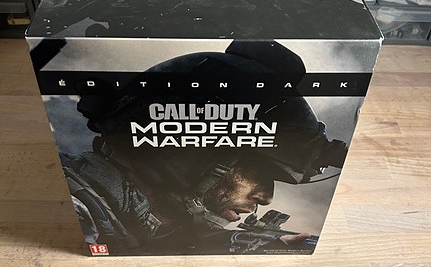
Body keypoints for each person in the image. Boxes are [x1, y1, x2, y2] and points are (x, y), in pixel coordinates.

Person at [59, 40, 348, 255]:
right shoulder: (79, 214)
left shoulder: (123, 215)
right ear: (187, 156)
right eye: (260, 171)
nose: (266, 197)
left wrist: (246, 245)